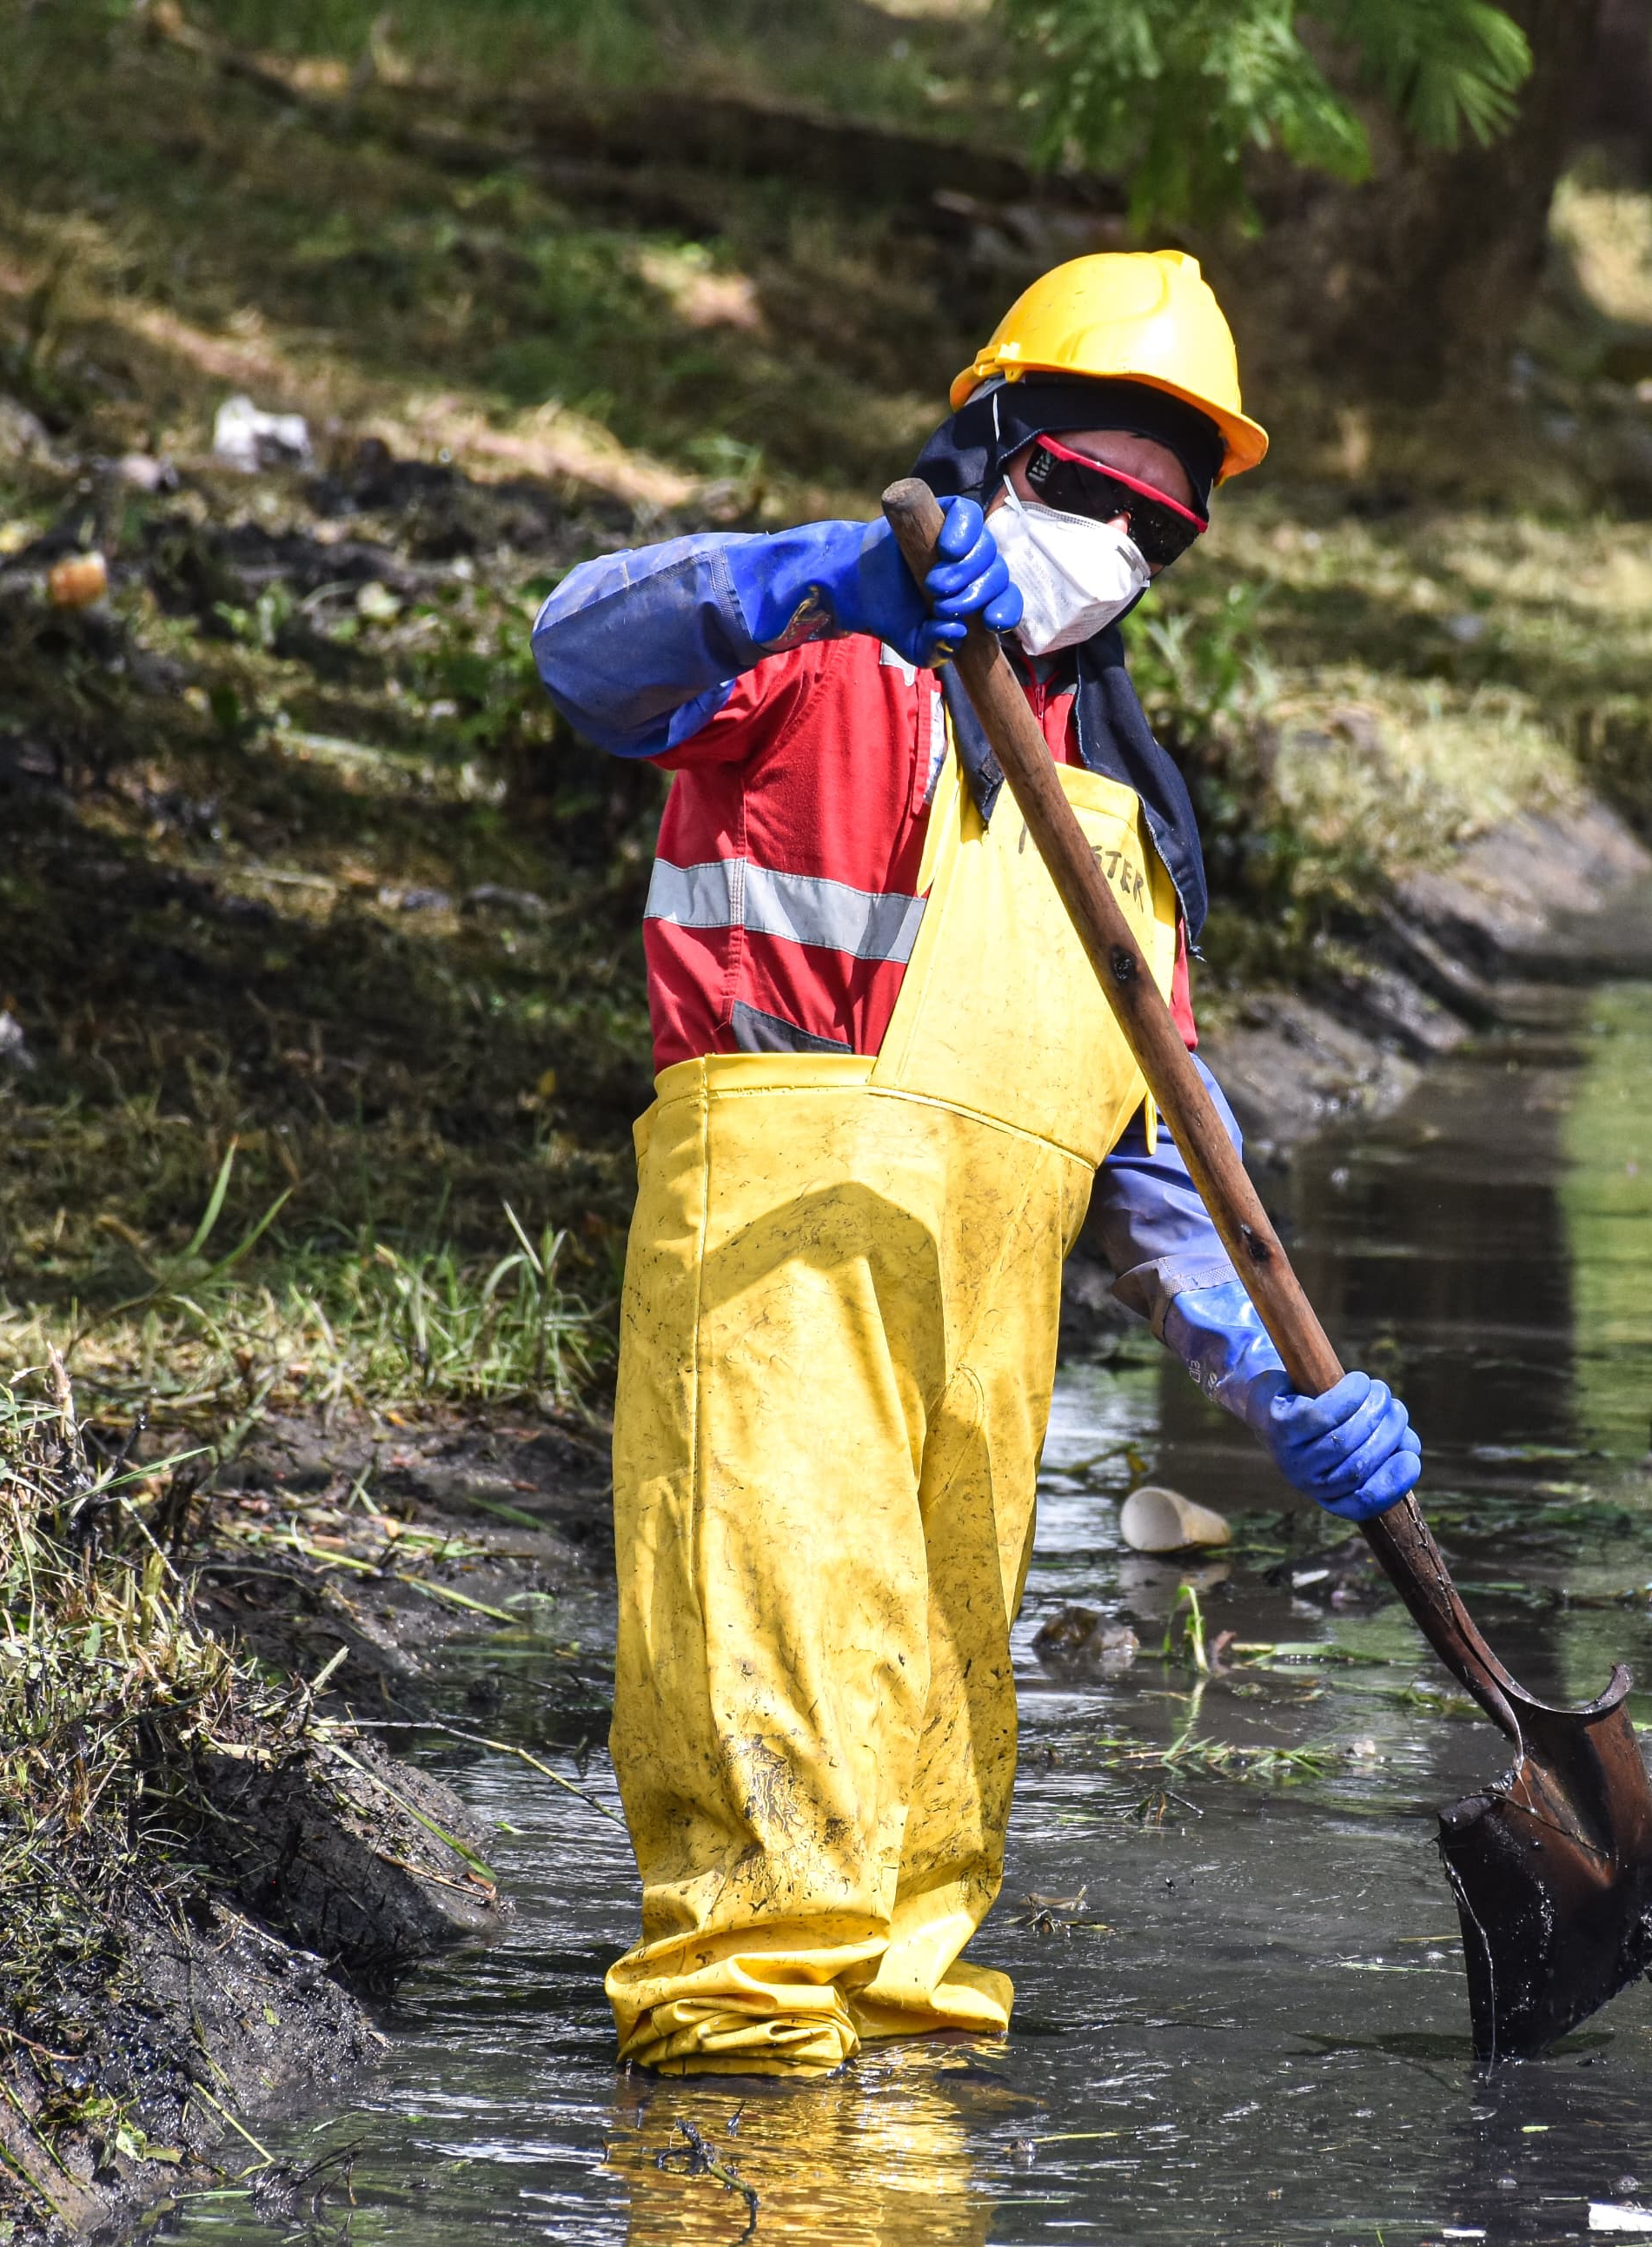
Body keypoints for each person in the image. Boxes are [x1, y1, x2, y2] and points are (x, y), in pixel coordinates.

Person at [531, 252, 1425, 2079]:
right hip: (776, 1263)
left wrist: (1278, 1377)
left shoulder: (1134, 813)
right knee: (769, 1810)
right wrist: (816, 574)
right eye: (1082, 491)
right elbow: (578, 649)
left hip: (982, 1342)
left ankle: (897, 2222)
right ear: (992, 444)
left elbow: (1160, 1142)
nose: (1107, 543)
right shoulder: (813, 640)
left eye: (1150, 535)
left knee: (930, 1817)